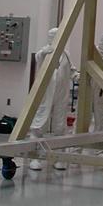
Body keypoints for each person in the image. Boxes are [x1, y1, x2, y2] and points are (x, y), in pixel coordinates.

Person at [29, 27, 72, 171]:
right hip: (45, 96)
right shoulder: (44, 52)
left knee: (60, 126)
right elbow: (38, 57)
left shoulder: (66, 54)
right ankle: (35, 158)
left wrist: (77, 75)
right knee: (39, 125)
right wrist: (44, 52)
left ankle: (58, 158)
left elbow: (70, 70)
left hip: (61, 95)